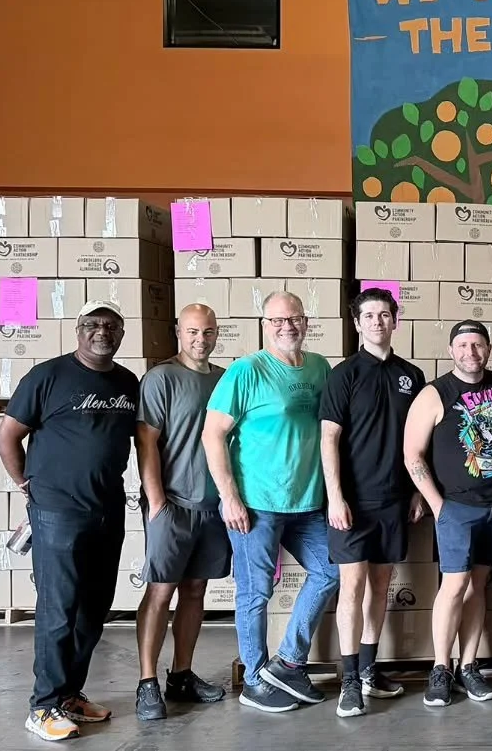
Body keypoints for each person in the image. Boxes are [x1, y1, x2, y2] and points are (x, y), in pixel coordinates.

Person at [0, 300, 140, 741]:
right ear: (78, 330)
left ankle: (70, 694)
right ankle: (42, 706)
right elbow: (7, 435)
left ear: (121, 333)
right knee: (58, 610)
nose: (102, 332)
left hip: (106, 507)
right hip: (57, 509)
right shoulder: (47, 376)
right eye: (93, 325)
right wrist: (25, 484)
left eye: (111, 326)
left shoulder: (127, 382)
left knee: (93, 610)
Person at [202, 291, 338, 713]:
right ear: (265, 325)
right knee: (255, 592)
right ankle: (255, 678)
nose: (287, 327)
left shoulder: (319, 367)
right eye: (277, 321)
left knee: (331, 571)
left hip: (307, 502)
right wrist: (230, 497)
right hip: (257, 503)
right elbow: (212, 435)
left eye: (293, 318)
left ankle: (289, 662)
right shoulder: (246, 371)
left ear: (305, 321)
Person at [319, 288, 426, 718]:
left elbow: (422, 441)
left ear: (395, 321)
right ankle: (349, 680)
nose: (378, 321)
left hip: (395, 501)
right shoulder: (343, 375)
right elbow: (329, 438)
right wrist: (335, 497)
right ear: (357, 323)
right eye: (369, 315)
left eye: (385, 314)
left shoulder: (411, 376)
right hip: (353, 503)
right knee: (354, 586)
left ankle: (368, 669)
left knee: (381, 586)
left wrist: (418, 489)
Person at [404, 320, 492, 708]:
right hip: (456, 508)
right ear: (452, 350)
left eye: (478, 345)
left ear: (488, 348)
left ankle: (469, 666)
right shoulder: (435, 393)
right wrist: (437, 505)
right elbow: (412, 454)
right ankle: (441, 668)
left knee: (478, 586)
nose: (471, 352)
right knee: (453, 586)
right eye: (463, 345)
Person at [133, 304, 229, 721]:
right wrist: (156, 502)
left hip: (212, 506)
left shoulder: (224, 380)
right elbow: (146, 442)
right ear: (178, 331)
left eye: (207, 332)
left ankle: (182, 675)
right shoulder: (161, 379)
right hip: (172, 505)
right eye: (192, 331)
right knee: (161, 591)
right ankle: (147, 683)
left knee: (195, 592)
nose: (200, 340)